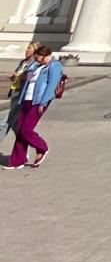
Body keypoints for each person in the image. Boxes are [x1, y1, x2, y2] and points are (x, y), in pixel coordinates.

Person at [2, 44, 63, 172]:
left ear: (44, 55)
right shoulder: (37, 66)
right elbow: (26, 75)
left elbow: (51, 85)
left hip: (38, 101)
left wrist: (43, 103)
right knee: (20, 131)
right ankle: (17, 160)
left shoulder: (54, 66)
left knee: (26, 130)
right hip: (26, 100)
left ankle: (42, 147)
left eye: (37, 58)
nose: (36, 60)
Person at [4, 42, 37, 156]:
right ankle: (24, 149)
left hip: (21, 95)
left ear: (35, 51)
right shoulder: (23, 62)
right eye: (27, 48)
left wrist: (23, 76)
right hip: (14, 91)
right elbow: (18, 75)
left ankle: (32, 146)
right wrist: (14, 76)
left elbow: (31, 77)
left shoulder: (35, 64)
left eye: (30, 48)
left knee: (6, 122)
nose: (26, 50)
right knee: (15, 125)